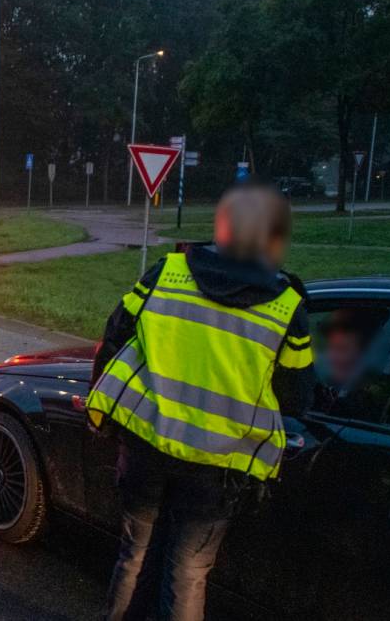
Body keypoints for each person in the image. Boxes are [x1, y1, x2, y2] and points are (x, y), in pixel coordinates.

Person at [86, 181, 315, 621]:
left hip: (145, 444)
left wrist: (102, 415)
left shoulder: (166, 273)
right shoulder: (288, 307)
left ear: (223, 226)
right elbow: (296, 399)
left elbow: (114, 338)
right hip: (218, 466)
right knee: (188, 572)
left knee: (134, 553)